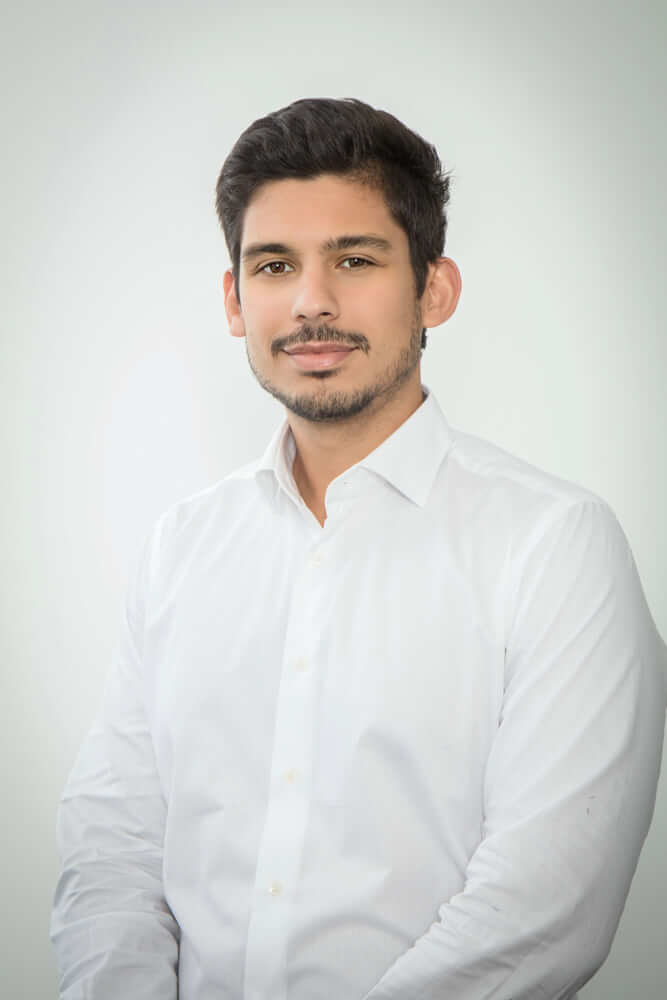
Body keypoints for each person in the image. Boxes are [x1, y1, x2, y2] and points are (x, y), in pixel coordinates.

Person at [51, 97, 666, 1000]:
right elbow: (113, 847)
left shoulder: (555, 548)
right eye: (274, 265)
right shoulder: (181, 548)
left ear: (434, 289)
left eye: (354, 259)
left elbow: (539, 914)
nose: (311, 302)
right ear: (233, 301)